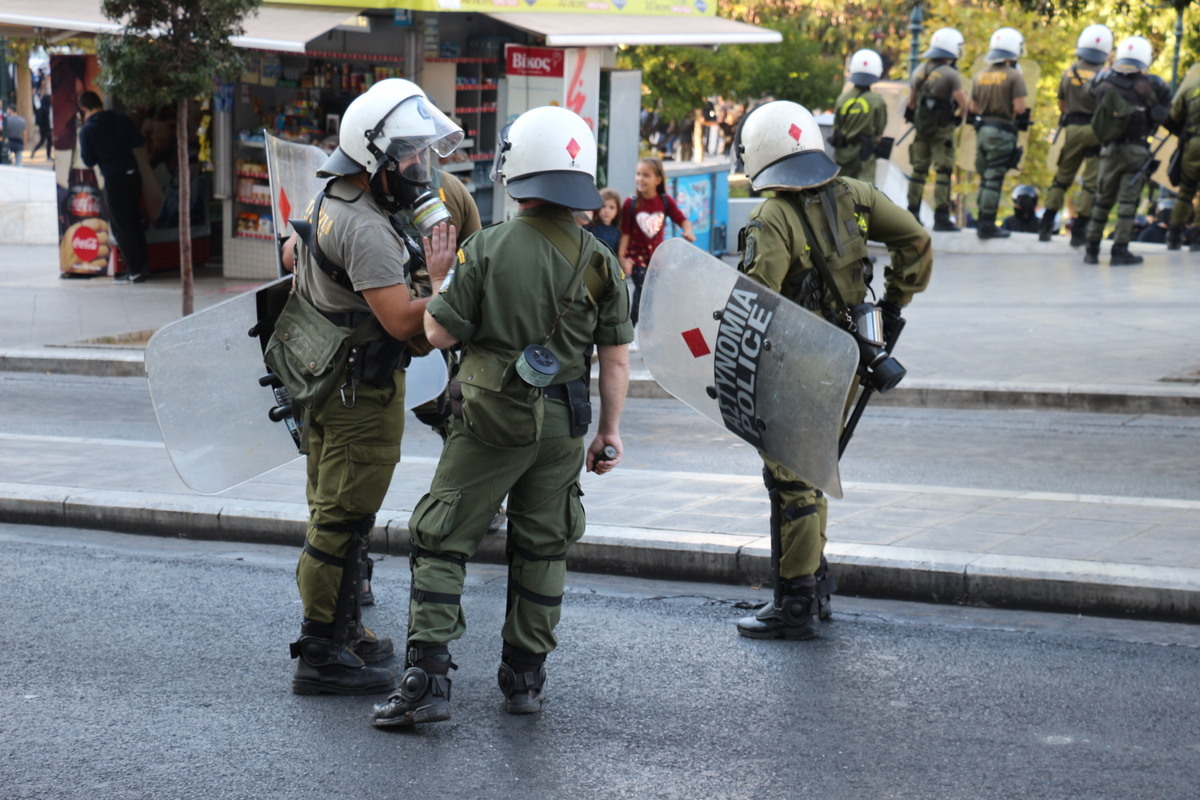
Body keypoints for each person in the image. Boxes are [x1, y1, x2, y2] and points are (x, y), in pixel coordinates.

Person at [370, 105, 633, 727]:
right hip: (566, 425)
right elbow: (616, 362)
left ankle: (427, 682)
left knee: (441, 538)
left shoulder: (484, 248)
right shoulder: (602, 263)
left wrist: (439, 276)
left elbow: (435, 332)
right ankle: (524, 680)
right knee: (544, 547)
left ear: (515, 172)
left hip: (490, 420)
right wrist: (609, 434)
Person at [279, 79, 465, 696]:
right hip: (360, 394)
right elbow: (404, 322)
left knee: (337, 513)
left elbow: (292, 251)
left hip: (326, 382)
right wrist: (438, 281)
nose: (419, 167)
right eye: (408, 156)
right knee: (343, 518)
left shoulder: (332, 195)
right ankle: (321, 652)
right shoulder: (365, 229)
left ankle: (342, 629)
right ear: (372, 159)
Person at [731, 100, 932, 640]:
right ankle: (814, 582)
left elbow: (757, 302)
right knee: (814, 468)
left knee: (792, 476)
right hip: (848, 357)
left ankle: (794, 600)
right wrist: (892, 307)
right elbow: (916, 239)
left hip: (796, 362)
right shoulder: (856, 195)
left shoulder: (772, 217)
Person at [1082, 36, 1172, 266]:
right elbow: (1168, 112)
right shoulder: (1151, 85)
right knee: (1127, 204)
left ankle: (1091, 248)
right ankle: (1119, 250)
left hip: (1109, 150)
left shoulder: (1103, 81)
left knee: (1102, 200)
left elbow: (1088, 92)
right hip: (1136, 150)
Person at [1040, 24, 1112, 245]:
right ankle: (1079, 230)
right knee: (1091, 181)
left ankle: (1046, 224)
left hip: (1072, 129)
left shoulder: (1069, 72)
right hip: (1096, 130)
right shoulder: (1106, 76)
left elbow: (1061, 103)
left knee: (1062, 177)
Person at [77, 91, 150, 283]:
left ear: (83, 108)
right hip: (133, 174)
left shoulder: (88, 129)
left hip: (114, 178)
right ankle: (143, 264)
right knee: (135, 220)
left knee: (121, 225)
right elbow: (138, 141)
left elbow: (88, 160)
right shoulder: (122, 119)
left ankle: (134, 271)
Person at [618, 157, 696, 335]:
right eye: (638, 174)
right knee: (643, 291)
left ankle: (646, 333)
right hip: (636, 257)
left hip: (657, 259)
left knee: (650, 296)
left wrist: (688, 232)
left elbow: (682, 220)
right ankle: (631, 332)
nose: (640, 179)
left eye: (646, 175)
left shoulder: (665, 201)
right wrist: (621, 257)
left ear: (658, 180)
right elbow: (626, 233)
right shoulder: (630, 203)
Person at [905, 27, 969, 232]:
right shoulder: (951, 74)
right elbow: (964, 103)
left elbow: (912, 102)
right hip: (943, 130)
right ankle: (941, 217)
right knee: (943, 170)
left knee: (918, 170)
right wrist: (959, 119)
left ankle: (912, 213)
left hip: (923, 129)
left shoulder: (920, 70)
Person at [968, 27, 1029, 240]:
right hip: (1002, 132)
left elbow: (973, 108)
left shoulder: (980, 76)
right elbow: (1020, 108)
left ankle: (982, 219)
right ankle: (987, 224)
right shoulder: (1014, 76)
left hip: (983, 130)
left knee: (985, 178)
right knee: (994, 179)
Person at [831, 49, 888, 185]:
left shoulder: (842, 99)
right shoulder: (877, 101)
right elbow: (880, 131)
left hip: (843, 156)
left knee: (842, 191)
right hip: (865, 157)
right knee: (864, 196)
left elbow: (836, 127)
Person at [1166, 63, 1200, 250]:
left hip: (1192, 144)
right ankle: (1197, 238)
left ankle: (1174, 234)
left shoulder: (1192, 82)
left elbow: (1174, 114)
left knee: (1186, 191)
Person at [586, 186, 622, 254]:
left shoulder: (618, 231)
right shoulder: (589, 227)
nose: (607, 211)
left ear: (617, 211)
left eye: (612, 207)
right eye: (603, 206)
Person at [32, 87, 52, 159]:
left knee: (43, 141)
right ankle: (48, 155)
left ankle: (35, 151)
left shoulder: (41, 108)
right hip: (46, 127)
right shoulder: (46, 109)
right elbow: (46, 119)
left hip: (43, 127)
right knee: (46, 141)